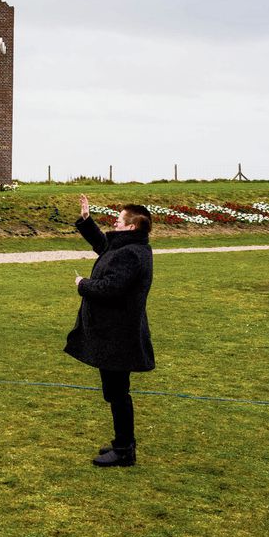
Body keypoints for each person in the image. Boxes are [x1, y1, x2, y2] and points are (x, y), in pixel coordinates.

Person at [65, 194, 155, 467]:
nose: (114, 223)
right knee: (114, 391)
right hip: (114, 334)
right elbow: (104, 246)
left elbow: (111, 289)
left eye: (119, 221)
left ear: (132, 227)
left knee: (117, 392)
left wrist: (83, 284)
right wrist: (86, 220)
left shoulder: (131, 254)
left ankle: (125, 450)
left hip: (119, 336)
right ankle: (122, 443)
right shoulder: (126, 248)